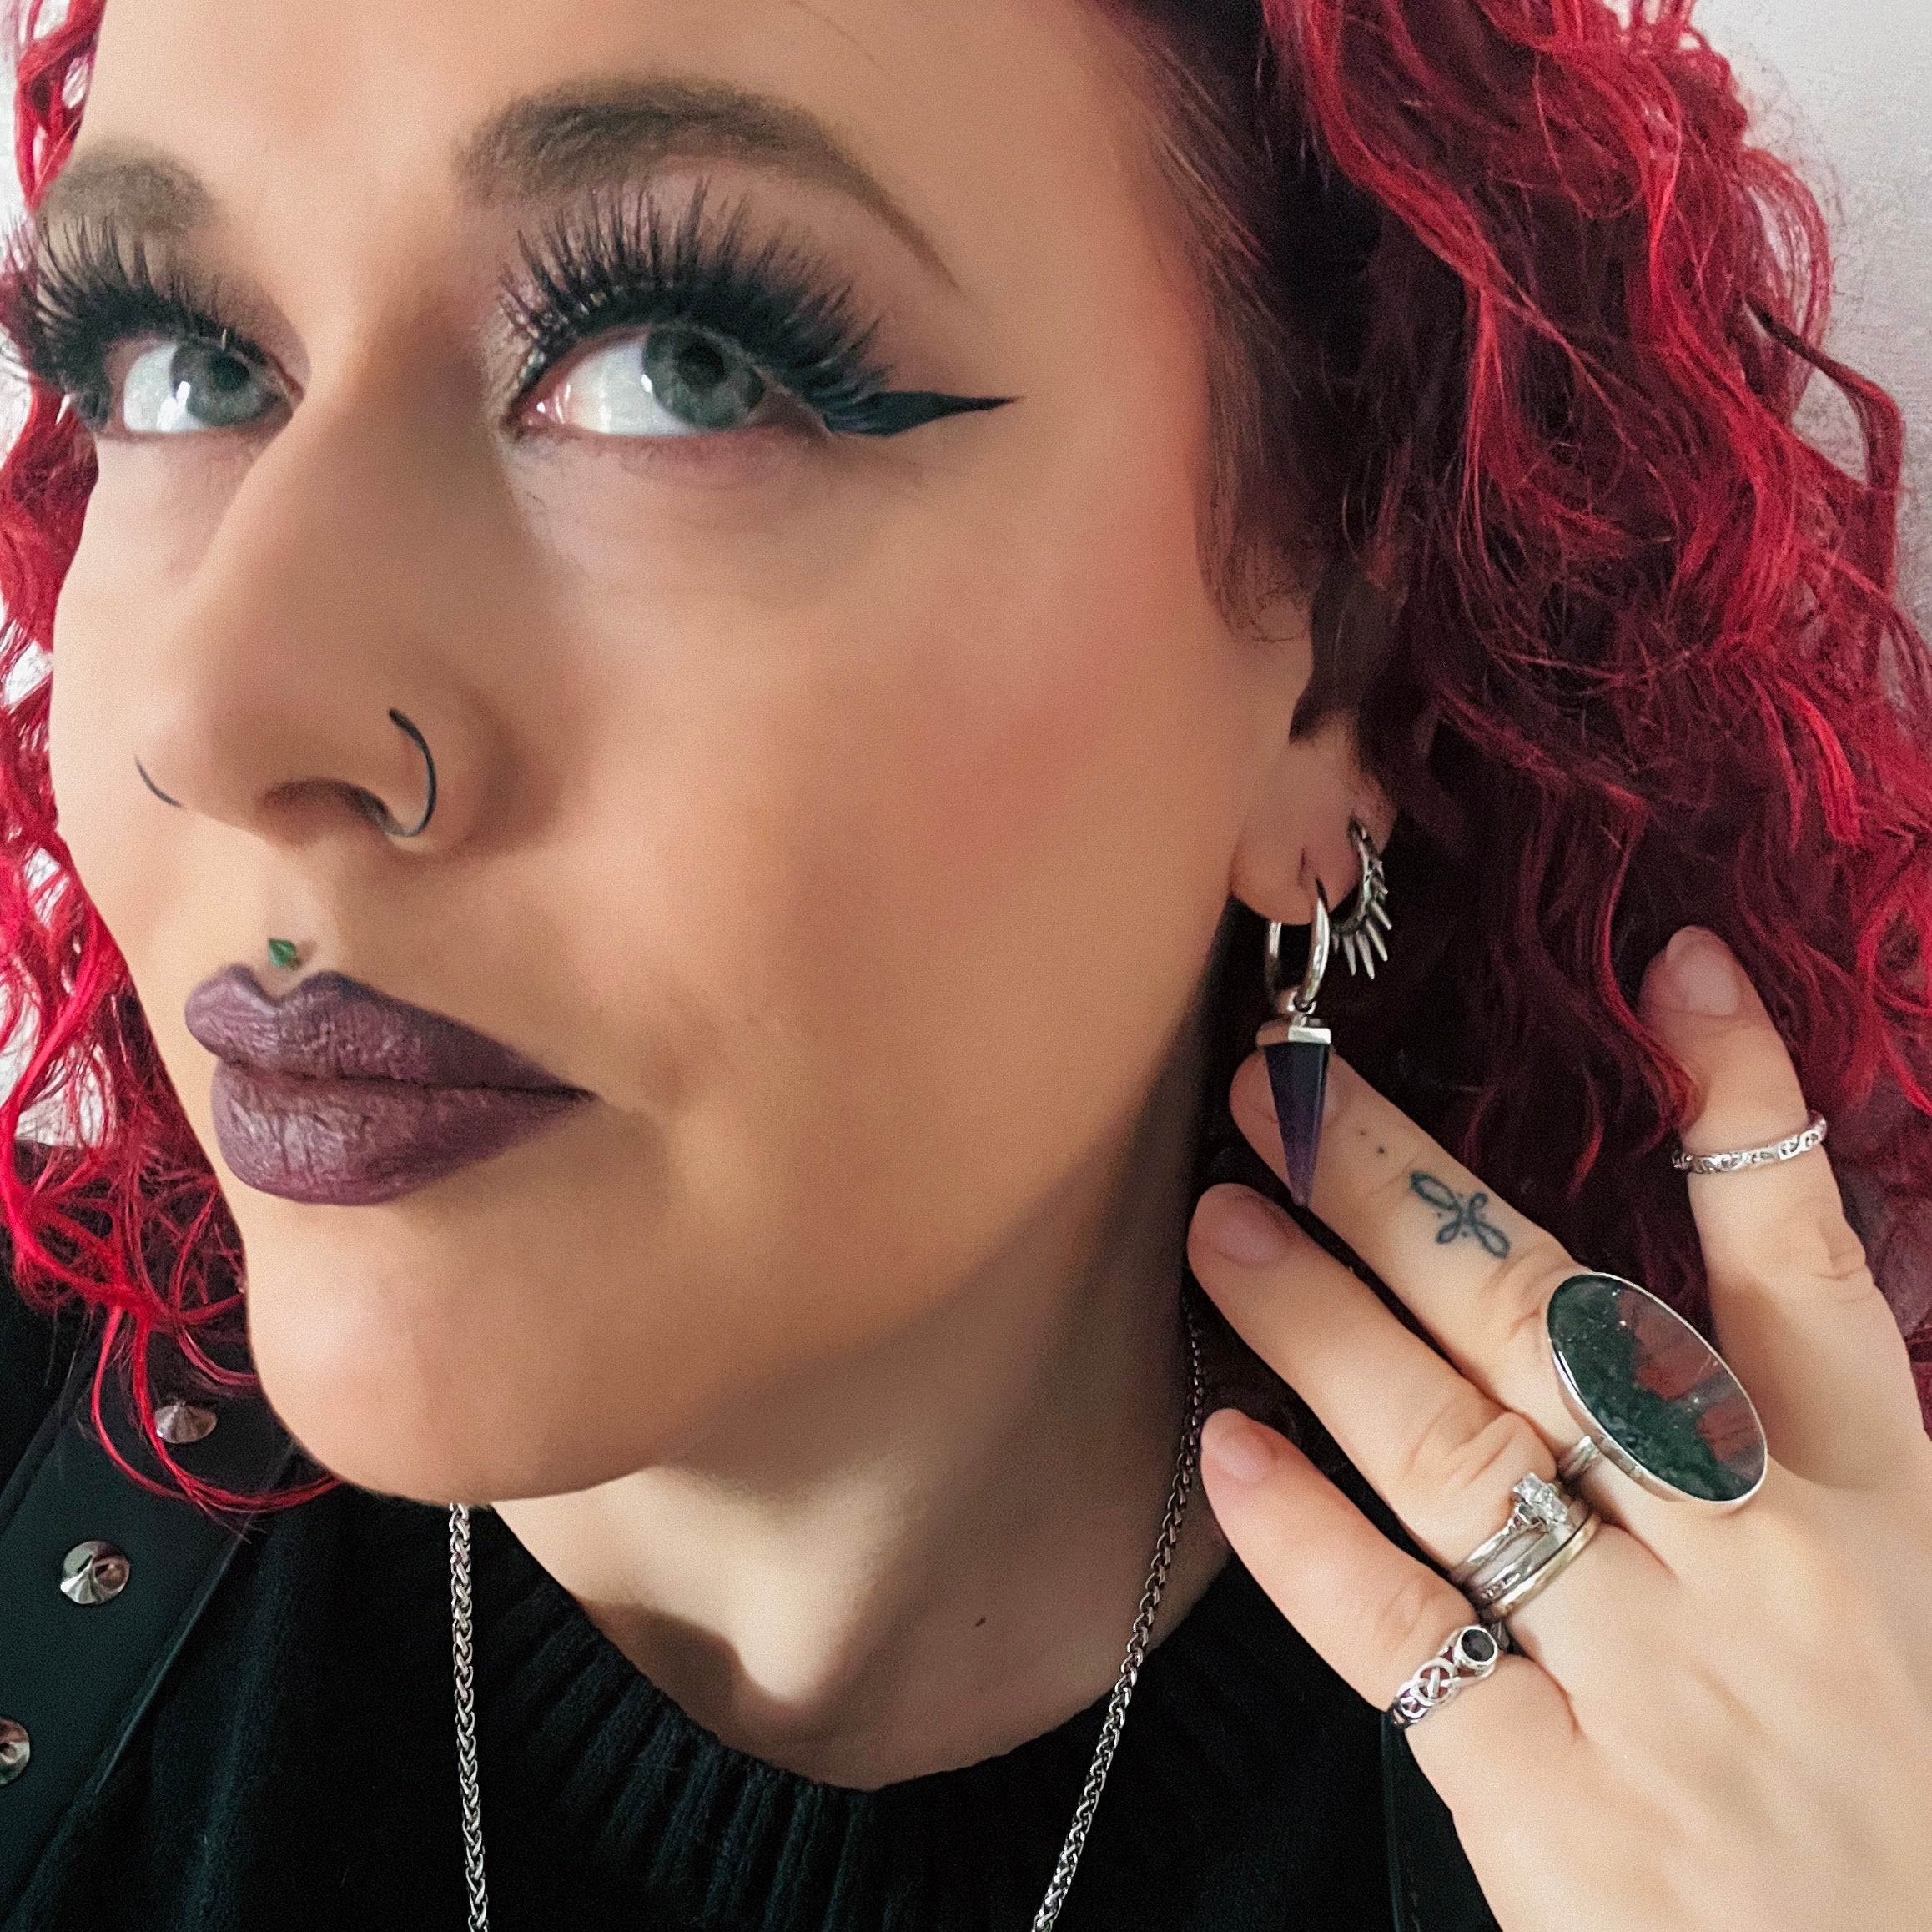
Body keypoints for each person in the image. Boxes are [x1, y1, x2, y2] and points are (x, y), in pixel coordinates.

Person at [0, 0, 1929, 1925]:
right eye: (177, 370)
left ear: (1332, 668)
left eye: (682, 368)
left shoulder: (1780, 1823)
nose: (215, 712)